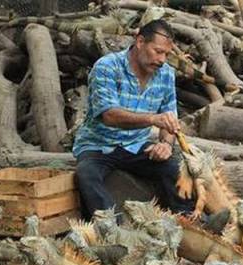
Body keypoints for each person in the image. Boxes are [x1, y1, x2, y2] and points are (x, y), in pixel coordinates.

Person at [73, 19, 193, 220]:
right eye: (158, 51)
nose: (162, 59)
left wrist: (165, 144)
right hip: (97, 145)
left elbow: (170, 118)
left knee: (174, 167)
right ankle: (113, 227)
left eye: (166, 54)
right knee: (86, 174)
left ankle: (189, 219)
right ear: (140, 42)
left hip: (136, 145)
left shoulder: (166, 74)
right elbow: (109, 115)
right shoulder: (107, 67)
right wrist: (153, 119)